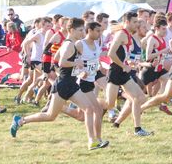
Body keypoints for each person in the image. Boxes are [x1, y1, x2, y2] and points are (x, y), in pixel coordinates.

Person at [9, 19, 107, 149]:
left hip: (72, 84)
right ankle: (21, 120)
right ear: (71, 30)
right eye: (80, 30)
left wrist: (78, 70)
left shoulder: (71, 43)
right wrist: (76, 64)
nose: (83, 33)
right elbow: (61, 62)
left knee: (88, 109)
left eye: (83, 30)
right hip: (62, 85)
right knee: (50, 116)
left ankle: (92, 141)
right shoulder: (69, 45)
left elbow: (55, 59)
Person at [103, 12, 152, 136]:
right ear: (127, 22)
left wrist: (128, 63)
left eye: (137, 22)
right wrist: (123, 65)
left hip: (124, 72)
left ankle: (138, 129)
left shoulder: (128, 35)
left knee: (140, 97)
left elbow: (123, 54)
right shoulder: (121, 34)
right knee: (109, 103)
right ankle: (90, 105)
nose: (137, 24)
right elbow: (111, 54)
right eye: (134, 22)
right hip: (115, 70)